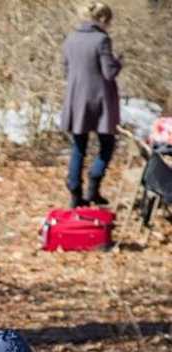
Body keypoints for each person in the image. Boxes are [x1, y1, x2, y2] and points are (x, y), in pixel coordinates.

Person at [61, 2, 123, 207]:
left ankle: (75, 193)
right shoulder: (102, 40)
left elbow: (66, 70)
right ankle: (93, 186)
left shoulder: (70, 38)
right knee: (107, 144)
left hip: (76, 99)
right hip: (99, 101)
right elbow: (109, 72)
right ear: (103, 20)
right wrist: (119, 61)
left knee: (79, 146)